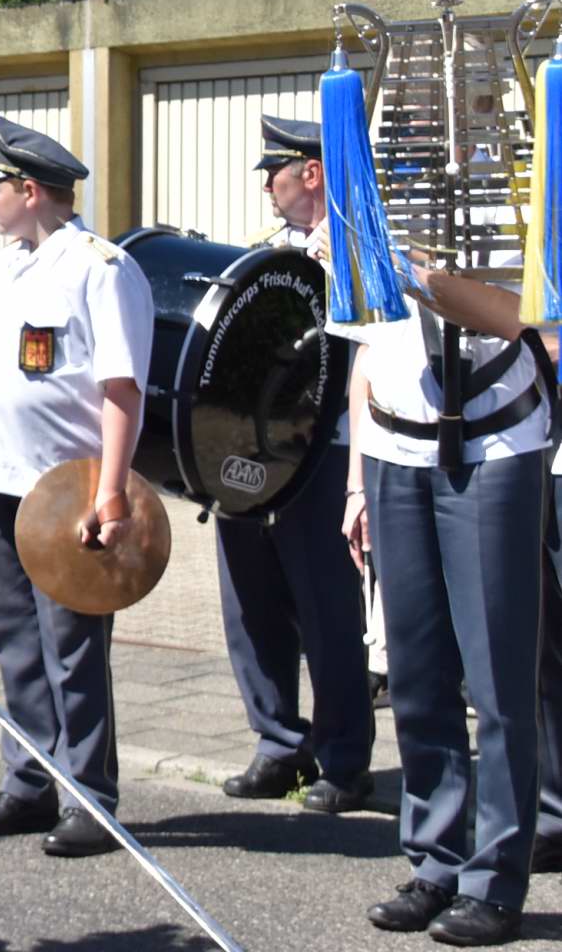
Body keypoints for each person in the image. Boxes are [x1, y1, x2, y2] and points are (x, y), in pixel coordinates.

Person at [339, 206, 550, 944]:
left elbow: (532, 322)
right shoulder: (375, 199)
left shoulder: (517, 188)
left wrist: (417, 276)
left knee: (497, 680)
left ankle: (494, 880)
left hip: (495, 444)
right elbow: (365, 351)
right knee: (417, 675)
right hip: (394, 448)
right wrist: (356, 482)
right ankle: (435, 862)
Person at [0, 118, 152, 859]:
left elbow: (122, 388)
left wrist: (113, 493)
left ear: (31, 190)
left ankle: (90, 799)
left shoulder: (100, 267)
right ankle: (29, 781)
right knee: (18, 644)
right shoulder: (6, 266)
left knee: (73, 649)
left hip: (66, 488)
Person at [212, 116, 374, 811]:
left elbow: (370, 349)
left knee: (328, 610)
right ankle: (279, 743)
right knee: (251, 602)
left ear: (310, 173)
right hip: (256, 451)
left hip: (324, 455)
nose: (266, 188)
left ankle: (344, 759)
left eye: (273, 173)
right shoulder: (268, 253)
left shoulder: (359, 250)